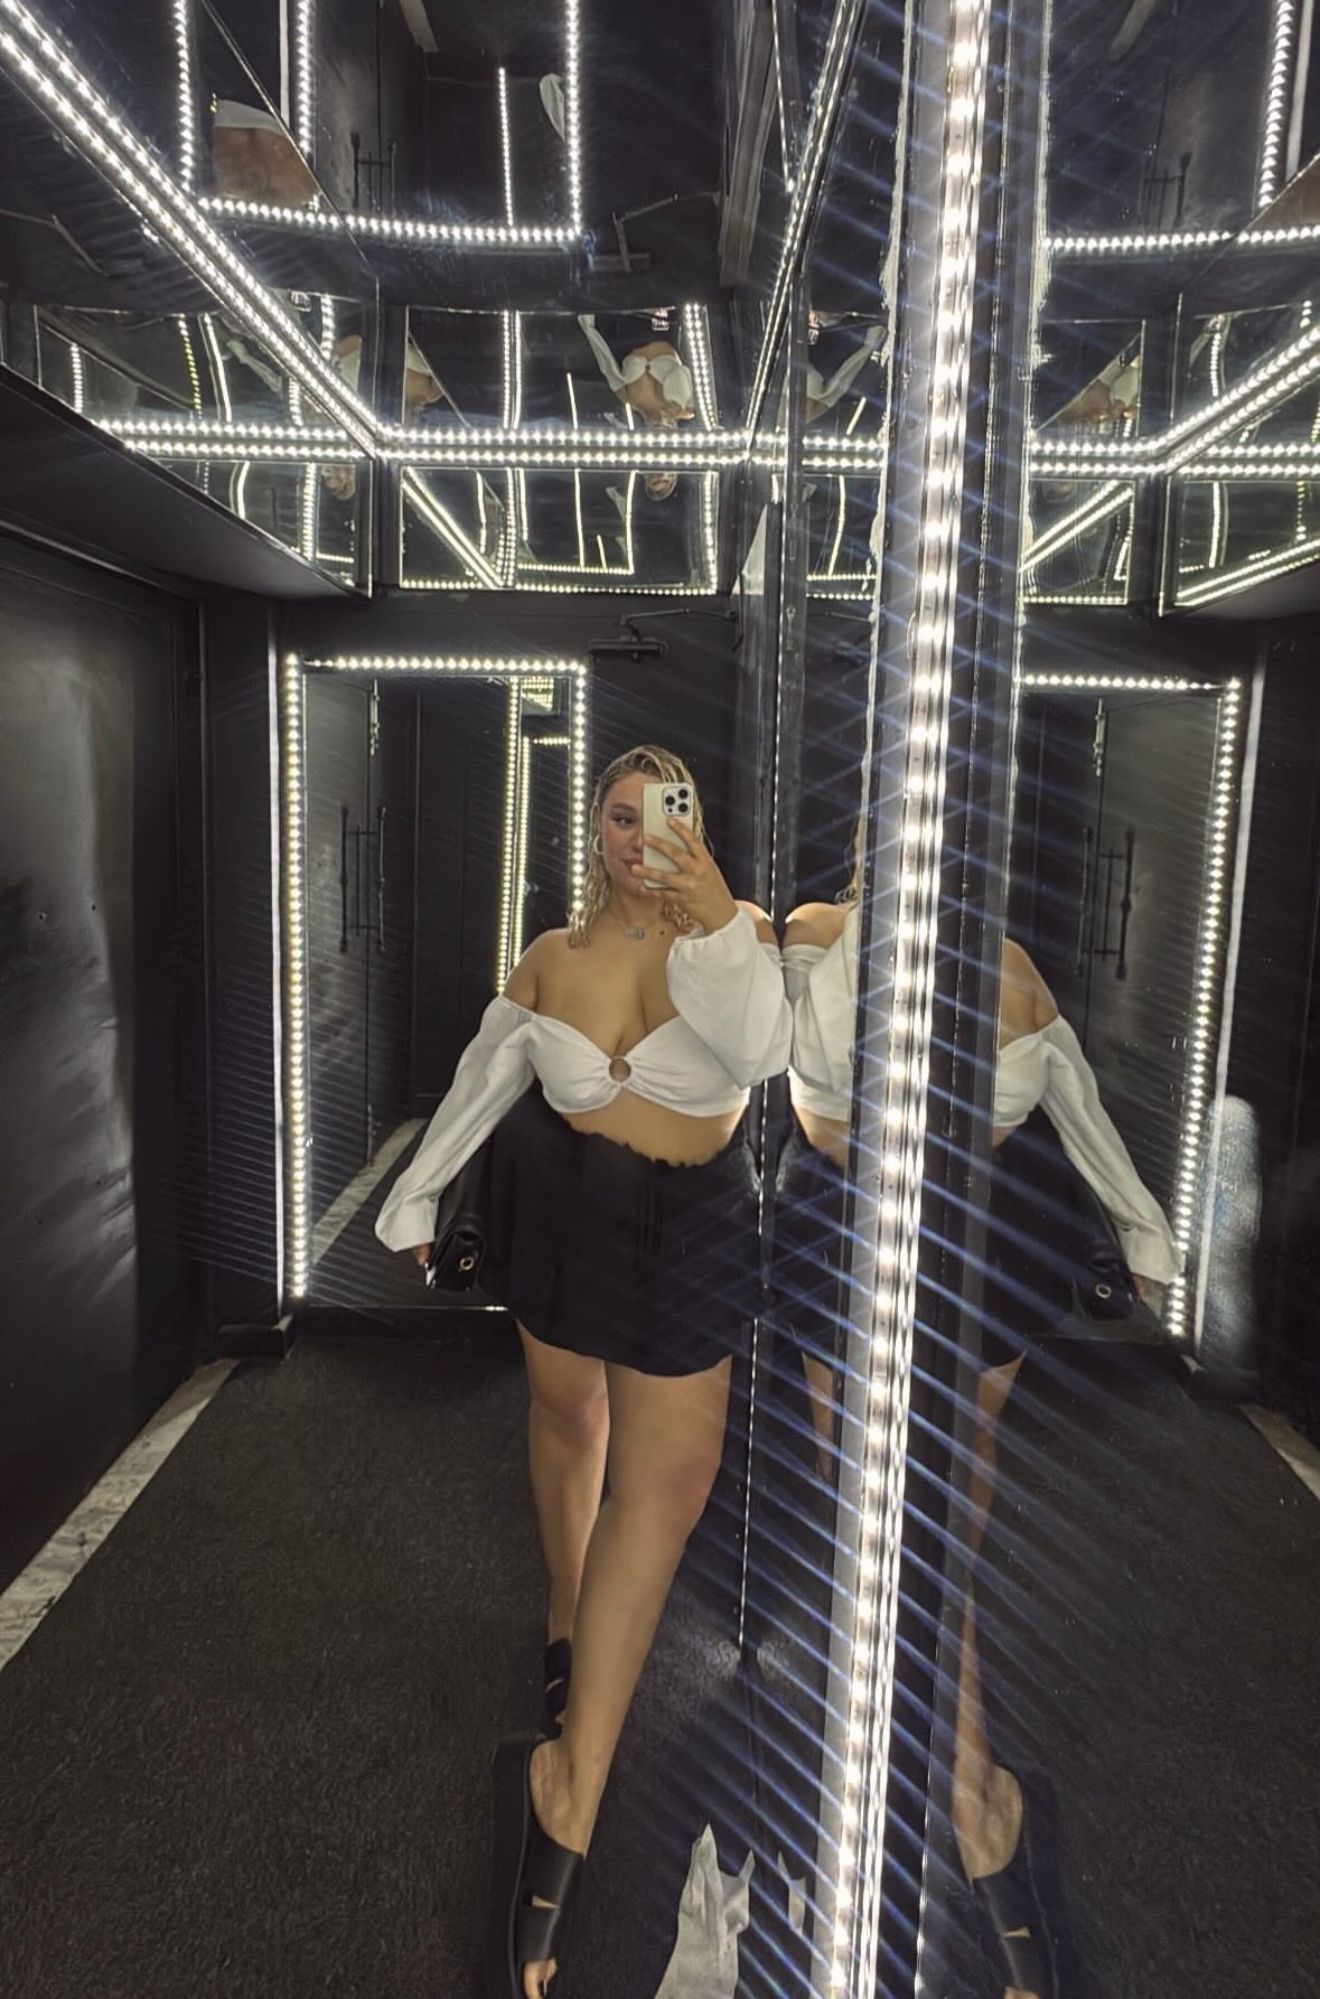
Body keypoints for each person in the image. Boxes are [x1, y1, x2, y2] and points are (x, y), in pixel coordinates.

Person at [375, 746, 791, 1999]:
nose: (639, 833)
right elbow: (486, 1075)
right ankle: (568, 1624)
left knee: (669, 1482)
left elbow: (760, 1054)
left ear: (694, 822)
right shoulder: (552, 953)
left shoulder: (735, 934)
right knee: (569, 1419)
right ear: (596, 825)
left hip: (694, 1221)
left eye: (666, 811)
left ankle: (574, 1774)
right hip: (561, 1207)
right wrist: (416, 1197)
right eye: (621, 812)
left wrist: (715, 915)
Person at [781, 908, 1182, 1999]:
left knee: (930, 1506)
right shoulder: (816, 934)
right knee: (866, 1501)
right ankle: (971, 1791)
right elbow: (794, 1063)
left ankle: (947, 1781)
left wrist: (1141, 1228)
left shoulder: (1011, 970)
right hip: (849, 1231)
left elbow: (1073, 1094)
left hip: (979, 1244)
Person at [577, 315, 696, 500]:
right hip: (660, 322)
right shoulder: (686, 409)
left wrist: (588, 322)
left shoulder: (629, 400)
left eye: (651, 475)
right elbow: (685, 370)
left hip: (623, 322)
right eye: (662, 474)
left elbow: (605, 361)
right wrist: (676, 404)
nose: (656, 469)